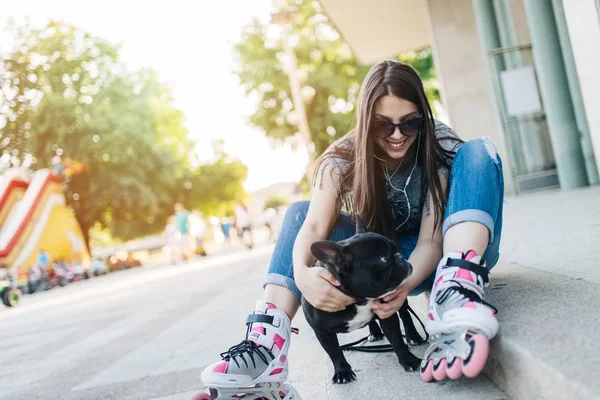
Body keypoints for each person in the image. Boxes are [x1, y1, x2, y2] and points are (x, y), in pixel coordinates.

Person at [201, 60, 503, 386]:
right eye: (383, 125)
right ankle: (266, 344)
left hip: (444, 251)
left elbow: (430, 241)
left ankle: (458, 288)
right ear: (365, 122)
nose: (398, 135)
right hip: (377, 266)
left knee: (478, 151)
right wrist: (304, 276)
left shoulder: (438, 144)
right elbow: (314, 227)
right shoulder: (341, 160)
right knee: (300, 210)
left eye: (410, 123)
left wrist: (403, 284)